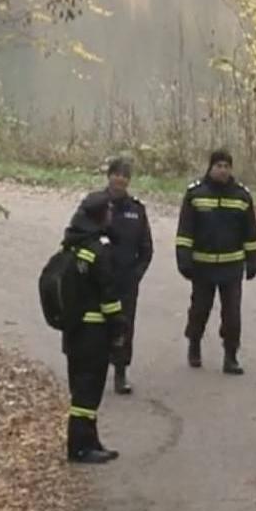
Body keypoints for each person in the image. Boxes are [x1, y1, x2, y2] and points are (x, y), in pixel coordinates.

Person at [175, 149, 256, 374]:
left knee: (232, 315)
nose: (223, 170)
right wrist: (184, 259)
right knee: (199, 310)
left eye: (226, 166)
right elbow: (185, 231)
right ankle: (194, 344)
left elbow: (251, 231)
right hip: (202, 265)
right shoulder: (195, 194)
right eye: (219, 166)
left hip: (231, 266)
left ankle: (230, 356)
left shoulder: (241, 196)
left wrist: (254, 260)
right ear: (210, 167)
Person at [60, 191, 128, 463]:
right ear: (100, 216)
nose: (111, 215)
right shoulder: (98, 250)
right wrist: (119, 327)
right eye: (108, 211)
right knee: (88, 390)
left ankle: (89, 440)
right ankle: (80, 448)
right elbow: (108, 296)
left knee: (81, 387)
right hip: (94, 333)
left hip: (74, 330)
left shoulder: (72, 245)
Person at [97, 157, 153, 395]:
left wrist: (136, 274)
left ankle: (120, 372)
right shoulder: (95, 205)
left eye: (124, 176)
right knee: (96, 326)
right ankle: (95, 372)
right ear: (109, 176)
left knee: (123, 326)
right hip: (97, 280)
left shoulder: (137, 210)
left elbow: (146, 248)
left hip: (126, 281)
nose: (120, 179)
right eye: (116, 174)